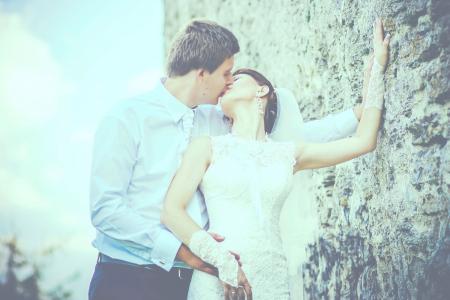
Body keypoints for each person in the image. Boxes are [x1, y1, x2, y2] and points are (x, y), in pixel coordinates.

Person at [88, 19, 365, 300]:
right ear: (202, 74)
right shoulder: (126, 118)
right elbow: (106, 210)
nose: (230, 82)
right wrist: (182, 251)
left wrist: (357, 115)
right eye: (227, 73)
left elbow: (284, 144)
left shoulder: (216, 121)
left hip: (195, 283)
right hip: (128, 279)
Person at [160, 18, 390, 300]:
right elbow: (171, 210)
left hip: (273, 279)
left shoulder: (287, 153)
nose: (228, 81)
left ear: (262, 90)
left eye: (238, 76)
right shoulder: (206, 147)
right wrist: (220, 259)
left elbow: (363, 141)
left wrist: (377, 67)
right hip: (218, 278)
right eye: (227, 76)